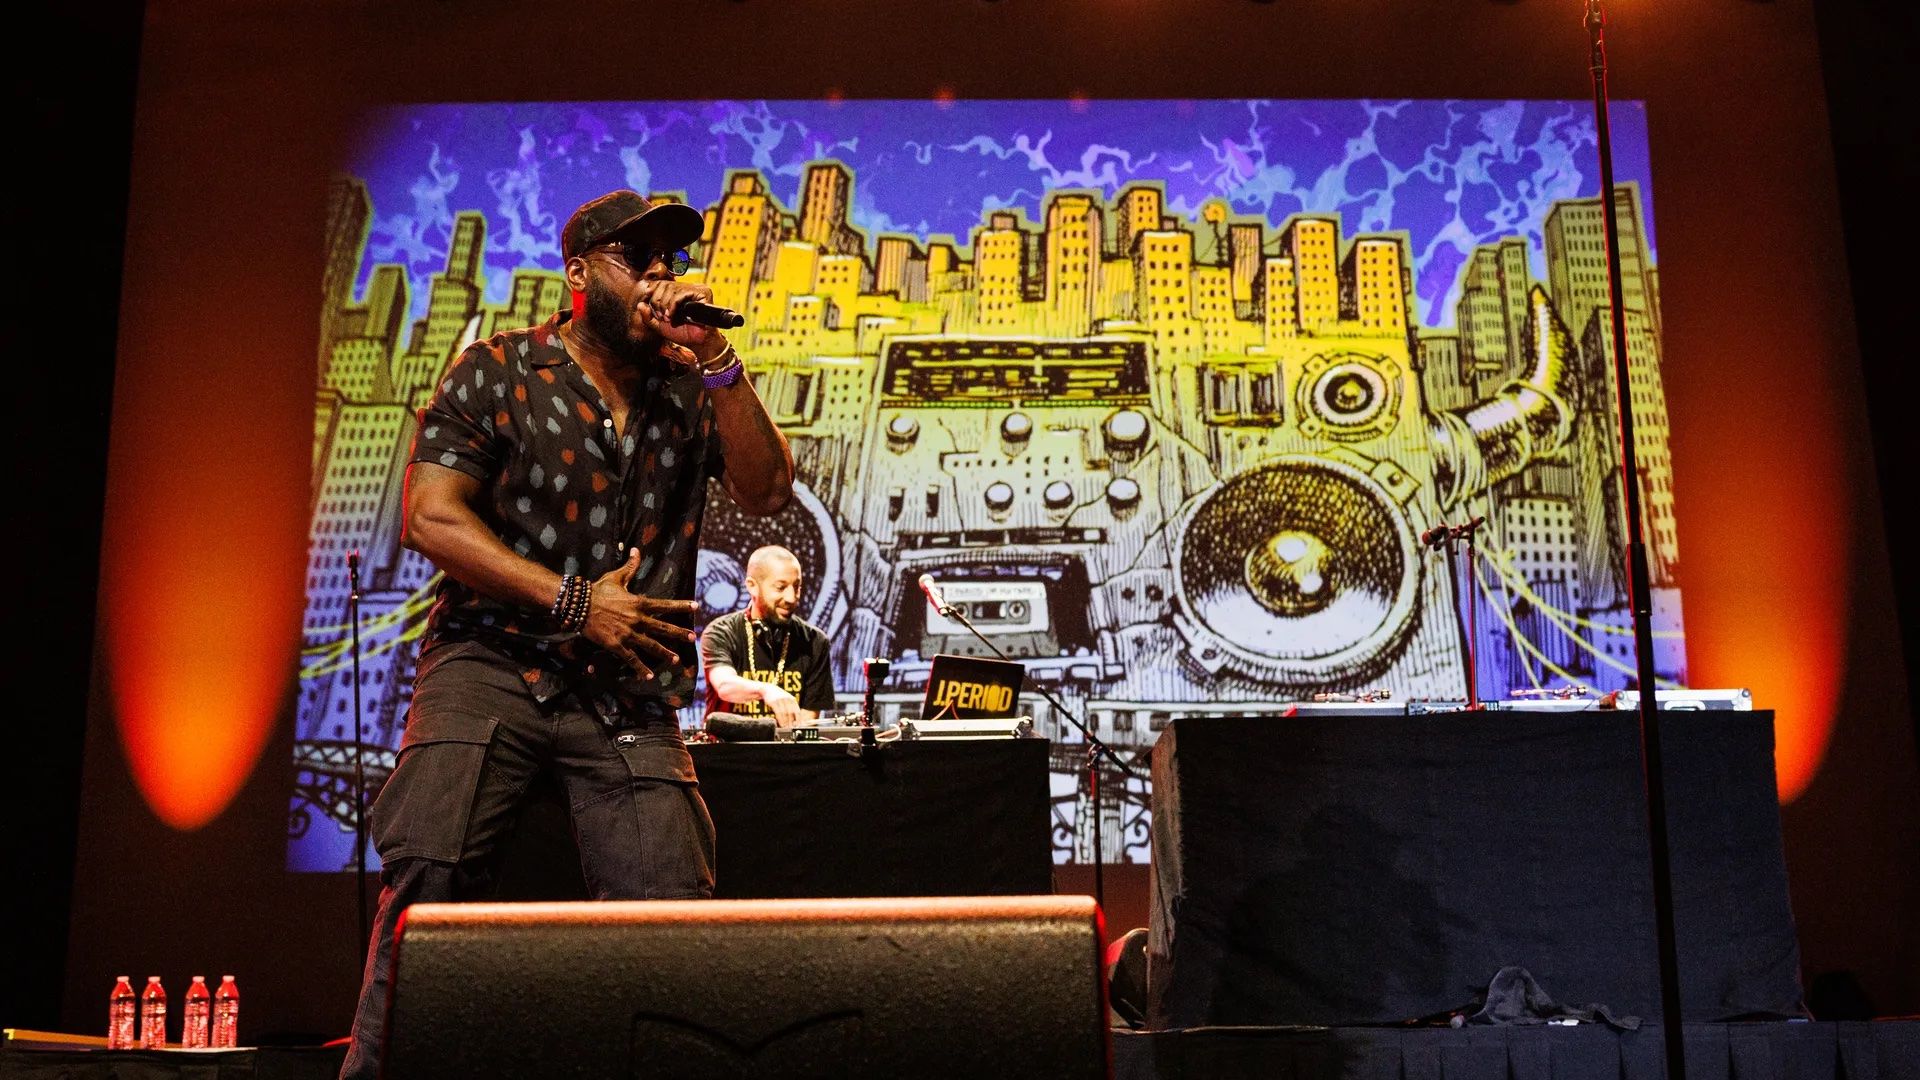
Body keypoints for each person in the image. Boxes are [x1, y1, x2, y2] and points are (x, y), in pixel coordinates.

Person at [339, 189, 794, 1080]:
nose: (660, 276)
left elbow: (769, 490)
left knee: (673, 911)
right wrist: (578, 603)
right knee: (428, 876)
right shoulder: (498, 370)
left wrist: (720, 359)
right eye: (638, 259)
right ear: (580, 274)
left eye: (669, 261)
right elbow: (431, 519)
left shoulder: (690, 389)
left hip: (625, 693)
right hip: (493, 661)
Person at [700, 546, 836, 727]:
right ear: (752, 586)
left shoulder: (814, 642)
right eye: (780, 587)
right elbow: (724, 686)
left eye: (796, 587)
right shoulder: (721, 632)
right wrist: (766, 691)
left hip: (785, 754)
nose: (791, 598)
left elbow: (805, 726)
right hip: (727, 752)